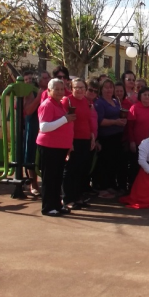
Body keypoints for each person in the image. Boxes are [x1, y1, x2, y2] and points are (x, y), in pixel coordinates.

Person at [36, 78, 75, 217]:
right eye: (56, 89)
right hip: (49, 147)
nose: (59, 92)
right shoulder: (47, 105)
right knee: (49, 178)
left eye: (61, 89)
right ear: (49, 91)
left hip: (59, 147)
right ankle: (48, 207)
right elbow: (44, 127)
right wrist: (65, 119)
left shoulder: (60, 105)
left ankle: (56, 205)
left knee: (57, 178)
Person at [62, 78, 96, 210]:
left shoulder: (85, 101)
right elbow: (66, 122)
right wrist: (69, 142)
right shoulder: (67, 101)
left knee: (81, 170)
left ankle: (77, 197)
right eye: (77, 87)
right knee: (70, 170)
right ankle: (67, 199)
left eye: (82, 87)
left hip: (85, 139)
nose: (80, 90)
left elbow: (88, 121)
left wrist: (92, 136)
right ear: (71, 88)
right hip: (73, 140)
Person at [93, 79, 126, 199]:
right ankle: (102, 188)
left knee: (113, 163)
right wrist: (115, 122)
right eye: (106, 87)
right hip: (105, 137)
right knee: (104, 163)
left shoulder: (115, 101)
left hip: (117, 137)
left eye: (110, 87)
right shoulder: (99, 102)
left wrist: (122, 120)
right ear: (101, 89)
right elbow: (100, 121)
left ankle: (110, 185)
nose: (109, 90)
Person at [127, 87, 149, 187]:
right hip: (138, 143)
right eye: (144, 95)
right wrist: (132, 141)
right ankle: (134, 188)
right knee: (136, 166)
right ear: (140, 96)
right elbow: (129, 127)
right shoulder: (134, 108)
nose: (147, 97)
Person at [22, 71, 42, 197]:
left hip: (44, 127)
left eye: (31, 79)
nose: (29, 81)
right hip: (32, 127)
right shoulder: (26, 93)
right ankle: (33, 184)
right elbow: (27, 110)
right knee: (30, 156)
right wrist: (38, 97)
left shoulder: (45, 90)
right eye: (26, 79)